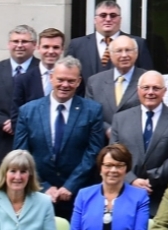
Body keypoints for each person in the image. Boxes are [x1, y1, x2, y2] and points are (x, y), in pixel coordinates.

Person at [13, 56, 108, 216]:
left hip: (79, 196)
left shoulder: (93, 111)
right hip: (37, 195)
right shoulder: (28, 111)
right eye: (60, 79)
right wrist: (43, 186)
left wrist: (70, 185)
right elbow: (21, 153)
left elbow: (93, 152)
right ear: (51, 78)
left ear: (78, 82)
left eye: (71, 81)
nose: (65, 85)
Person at [110, 71, 168, 211]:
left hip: (162, 197)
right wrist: (132, 180)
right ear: (138, 90)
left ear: (164, 91)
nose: (150, 92)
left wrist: (151, 180)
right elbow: (114, 154)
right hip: (125, 195)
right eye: (146, 88)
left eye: (156, 88)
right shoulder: (120, 119)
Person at [0, 25, 43, 165]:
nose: (19, 45)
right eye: (15, 41)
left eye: (24, 42)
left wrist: (17, 122)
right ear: (9, 44)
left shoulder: (43, 71)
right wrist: (3, 121)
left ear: (34, 45)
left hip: (33, 145)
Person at [68, 0, 155, 74]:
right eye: (103, 15)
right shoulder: (77, 45)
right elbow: (69, 75)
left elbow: (146, 77)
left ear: (120, 20)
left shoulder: (138, 43)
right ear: (95, 20)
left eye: (113, 15)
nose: (108, 19)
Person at [85, 35, 141, 119]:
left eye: (128, 50)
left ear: (136, 53)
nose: (124, 55)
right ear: (110, 55)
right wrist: (108, 130)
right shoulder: (95, 82)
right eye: (119, 51)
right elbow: (89, 114)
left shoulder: (147, 79)